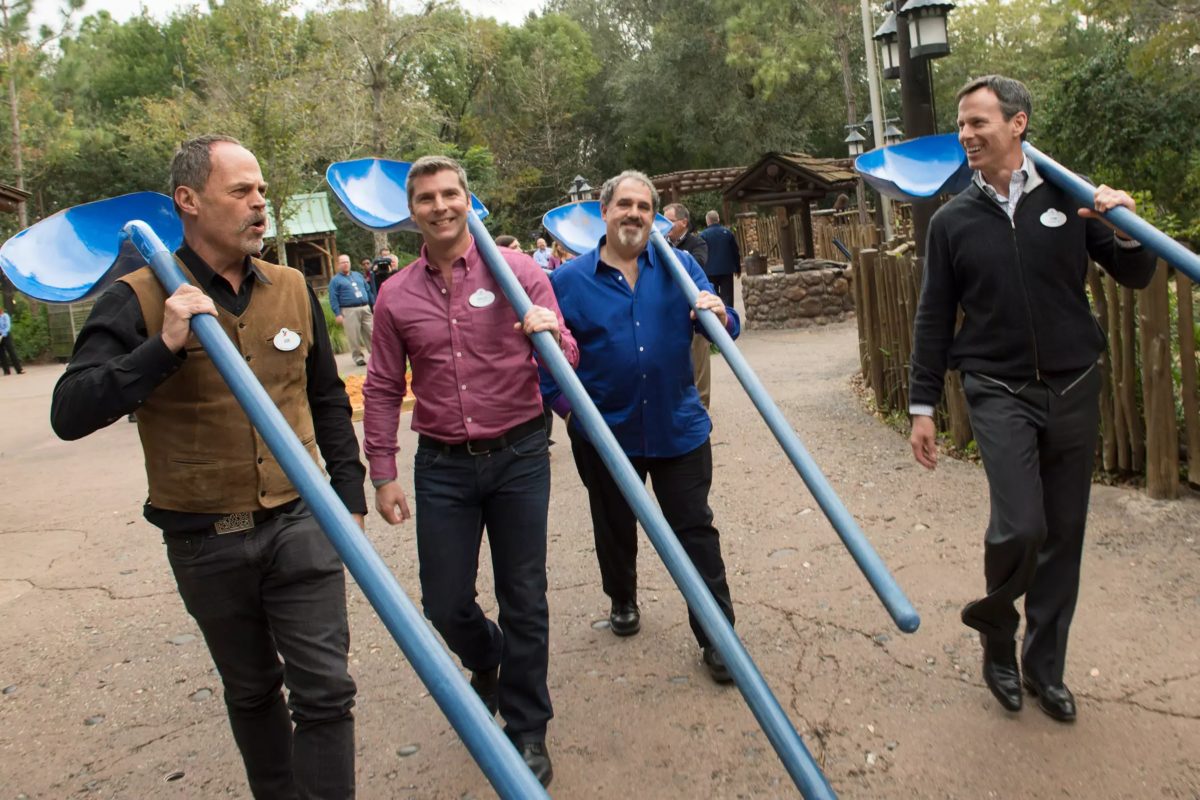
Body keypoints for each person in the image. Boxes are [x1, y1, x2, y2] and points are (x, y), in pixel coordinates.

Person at [50, 135, 365, 797]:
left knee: (327, 693)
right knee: (252, 693)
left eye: (262, 190)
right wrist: (162, 346)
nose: (261, 203)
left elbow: (327, 399)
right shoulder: (135, 297)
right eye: (242, 191)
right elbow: (71, 411)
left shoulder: (292, 289)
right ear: (188, 201)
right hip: (205, 541)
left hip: (299, 523)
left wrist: (350, 498)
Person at [909, 75, 1157, 723]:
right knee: (1022, 523)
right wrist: (922, 405)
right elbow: (934, 316)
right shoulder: (953, 220)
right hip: (997, 387)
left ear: (1017, 124)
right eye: (962, 124)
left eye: (978, 122)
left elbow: (1133, 272)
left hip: (1074, 383)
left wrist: (1124, 226)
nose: (966, 134)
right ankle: (998, 631)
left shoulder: (1070, 201)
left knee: (1064, 534)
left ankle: (1045, 668)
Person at [362, 155, 577, 788]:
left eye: (450, 193)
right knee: (443, 600)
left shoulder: (519, 273)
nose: (440, 206)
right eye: (426, 197)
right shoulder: (396, 294)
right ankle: (488, 658)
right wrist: (383, 472)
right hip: (443, 466)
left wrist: (553, 336)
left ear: (468, 198)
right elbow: (379, 387)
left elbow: (567, 352)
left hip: (518, 456)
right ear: (413, 212)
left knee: (524, 594)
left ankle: (527, 728)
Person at [542, 171, 740, 684]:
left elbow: (722, 324)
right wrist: (571, 413)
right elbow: (544, 362)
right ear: (603, 213)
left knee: (695, 530)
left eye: (644, 207)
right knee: (613, 526)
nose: (634, 214)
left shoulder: (681, 265)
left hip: (679, 427)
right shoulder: (567, 282)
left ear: (655, 218)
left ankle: (718, 637)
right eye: (624, 205)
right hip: (606, 436)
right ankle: (622, 598)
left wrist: (721, 312)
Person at [663, 203, 715, 409]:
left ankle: (701, 406)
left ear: (683, 222)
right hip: (668, 314)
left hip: (693, 312)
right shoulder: (660, 243)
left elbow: (698, 264)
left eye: (670, 221)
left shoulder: (697, 243)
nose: (665, 226)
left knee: (699, 360)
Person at [329, 253, 374, 366]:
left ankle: (375, 355)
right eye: (343, 262)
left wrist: (374, 305)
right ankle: (358, 357)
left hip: (365, 307)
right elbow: (333, 298)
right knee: (353, 335)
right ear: (338, 265)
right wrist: (337, 314)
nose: (345, 264)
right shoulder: (335, 280)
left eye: (347, 262)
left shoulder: (358, 275)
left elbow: (368, 290)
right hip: (349, 310)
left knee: (371, 332)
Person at [699, 210, 741, 309]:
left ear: (707, 221)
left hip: (709, 271)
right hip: (727, 270)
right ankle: (729, 316)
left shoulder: (703, 235)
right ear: (718, 219)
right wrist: (738, 268)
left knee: (713, 296)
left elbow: (701, 254)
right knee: (728, 297)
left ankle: (717, 318)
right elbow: (735, 252)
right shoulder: (727, 233)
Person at [0, 307, 24, 375]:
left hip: (6, 335)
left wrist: (3, 333)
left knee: (11, 352)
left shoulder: (5, 316)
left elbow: (8, 326)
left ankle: (19, 369)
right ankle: (6, 371)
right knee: (1, 354)